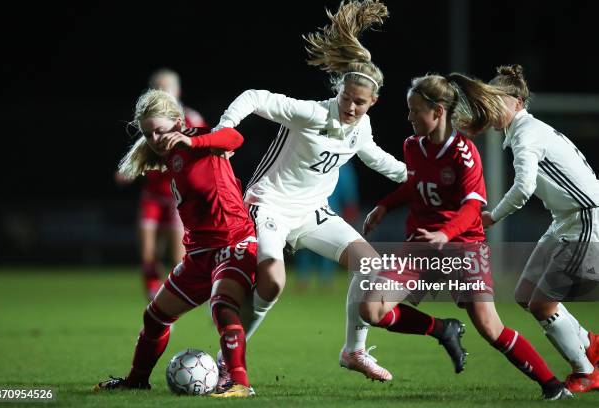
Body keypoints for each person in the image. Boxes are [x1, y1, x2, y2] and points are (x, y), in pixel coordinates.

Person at [213, 0, 465, 382]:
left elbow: (381, 161)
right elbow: (254, 96)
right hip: (269, 207)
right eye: (346, 98)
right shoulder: (312, 113)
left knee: (370, 264)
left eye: (359, 103)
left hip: (314, 213)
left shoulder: (360, 128)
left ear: (373, 103)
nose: (350, 107)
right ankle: (226, 364)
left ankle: (354, 352)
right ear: (339, 90)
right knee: (273, 283)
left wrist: (428, 176)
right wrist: (225, 130)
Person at [361, 73, 572, 400]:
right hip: (421, 246)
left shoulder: (464, 152)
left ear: (438, 111)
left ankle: (553, 386)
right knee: (371, 309)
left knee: (490, 328)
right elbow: (415, 184)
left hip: (463, 248)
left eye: (415, 110)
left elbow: (473, 208)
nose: (409, 117)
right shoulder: (411, 146)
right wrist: (385, 206)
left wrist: (445, 233)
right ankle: (442, 329)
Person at [95, 89, 256, 397]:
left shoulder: (200, 138)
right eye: (148, 133)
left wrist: (192, 141)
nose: (155, 138)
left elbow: (234, 139)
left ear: (178, 122)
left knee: (223, 308)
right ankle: (136, 380)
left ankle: (240, 384)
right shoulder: (169, 157)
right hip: (199, 253)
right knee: (154, 316)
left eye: (160, 129)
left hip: (234, 242)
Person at [482, 64, 599, 393]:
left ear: (517, 103)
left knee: (541, 304)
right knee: (524, 294)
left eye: (498, 101)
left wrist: (492, 216)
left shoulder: (526, 134)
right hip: (565, 219)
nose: (491, 107)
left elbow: (523, 188)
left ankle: (586, 371)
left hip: (585, 219)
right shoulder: (525, 131)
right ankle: (589, 343)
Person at [117, 68, 208, 300]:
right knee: (148, 255)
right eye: (156, 88)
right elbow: (142, 153)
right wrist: (129, 171)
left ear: (177, 91)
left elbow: (205, 148)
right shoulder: (151, 121)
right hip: (153, 196)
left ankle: (188, 299)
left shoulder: (189, 119)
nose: (161, 92)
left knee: (179, 259)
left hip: (178, 198)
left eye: (166, 87)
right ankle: (155, 301)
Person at [294, 161, 360, 291]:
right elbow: (348, 188)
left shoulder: (312, 157)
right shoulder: (341, 162)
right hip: (327, 210)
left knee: (305, 245)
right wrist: (350, 205)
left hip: (310, 209)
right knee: (326, 247)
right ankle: (324, 280)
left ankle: (305, 280)